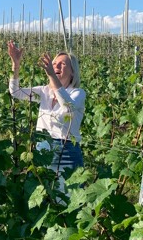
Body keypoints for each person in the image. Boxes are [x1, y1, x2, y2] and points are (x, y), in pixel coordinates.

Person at [7, 40, 85, 193]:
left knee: (68, 197)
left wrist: (52, 77)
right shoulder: (44, 91)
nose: (56, 66)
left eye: (62, 64)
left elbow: (68, 106)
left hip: (67, 152)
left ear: (73, 71)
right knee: (42, 195)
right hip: (42, 149)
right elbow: (15, 92)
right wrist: (15, 64)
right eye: (54, 63)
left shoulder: (77, 93)